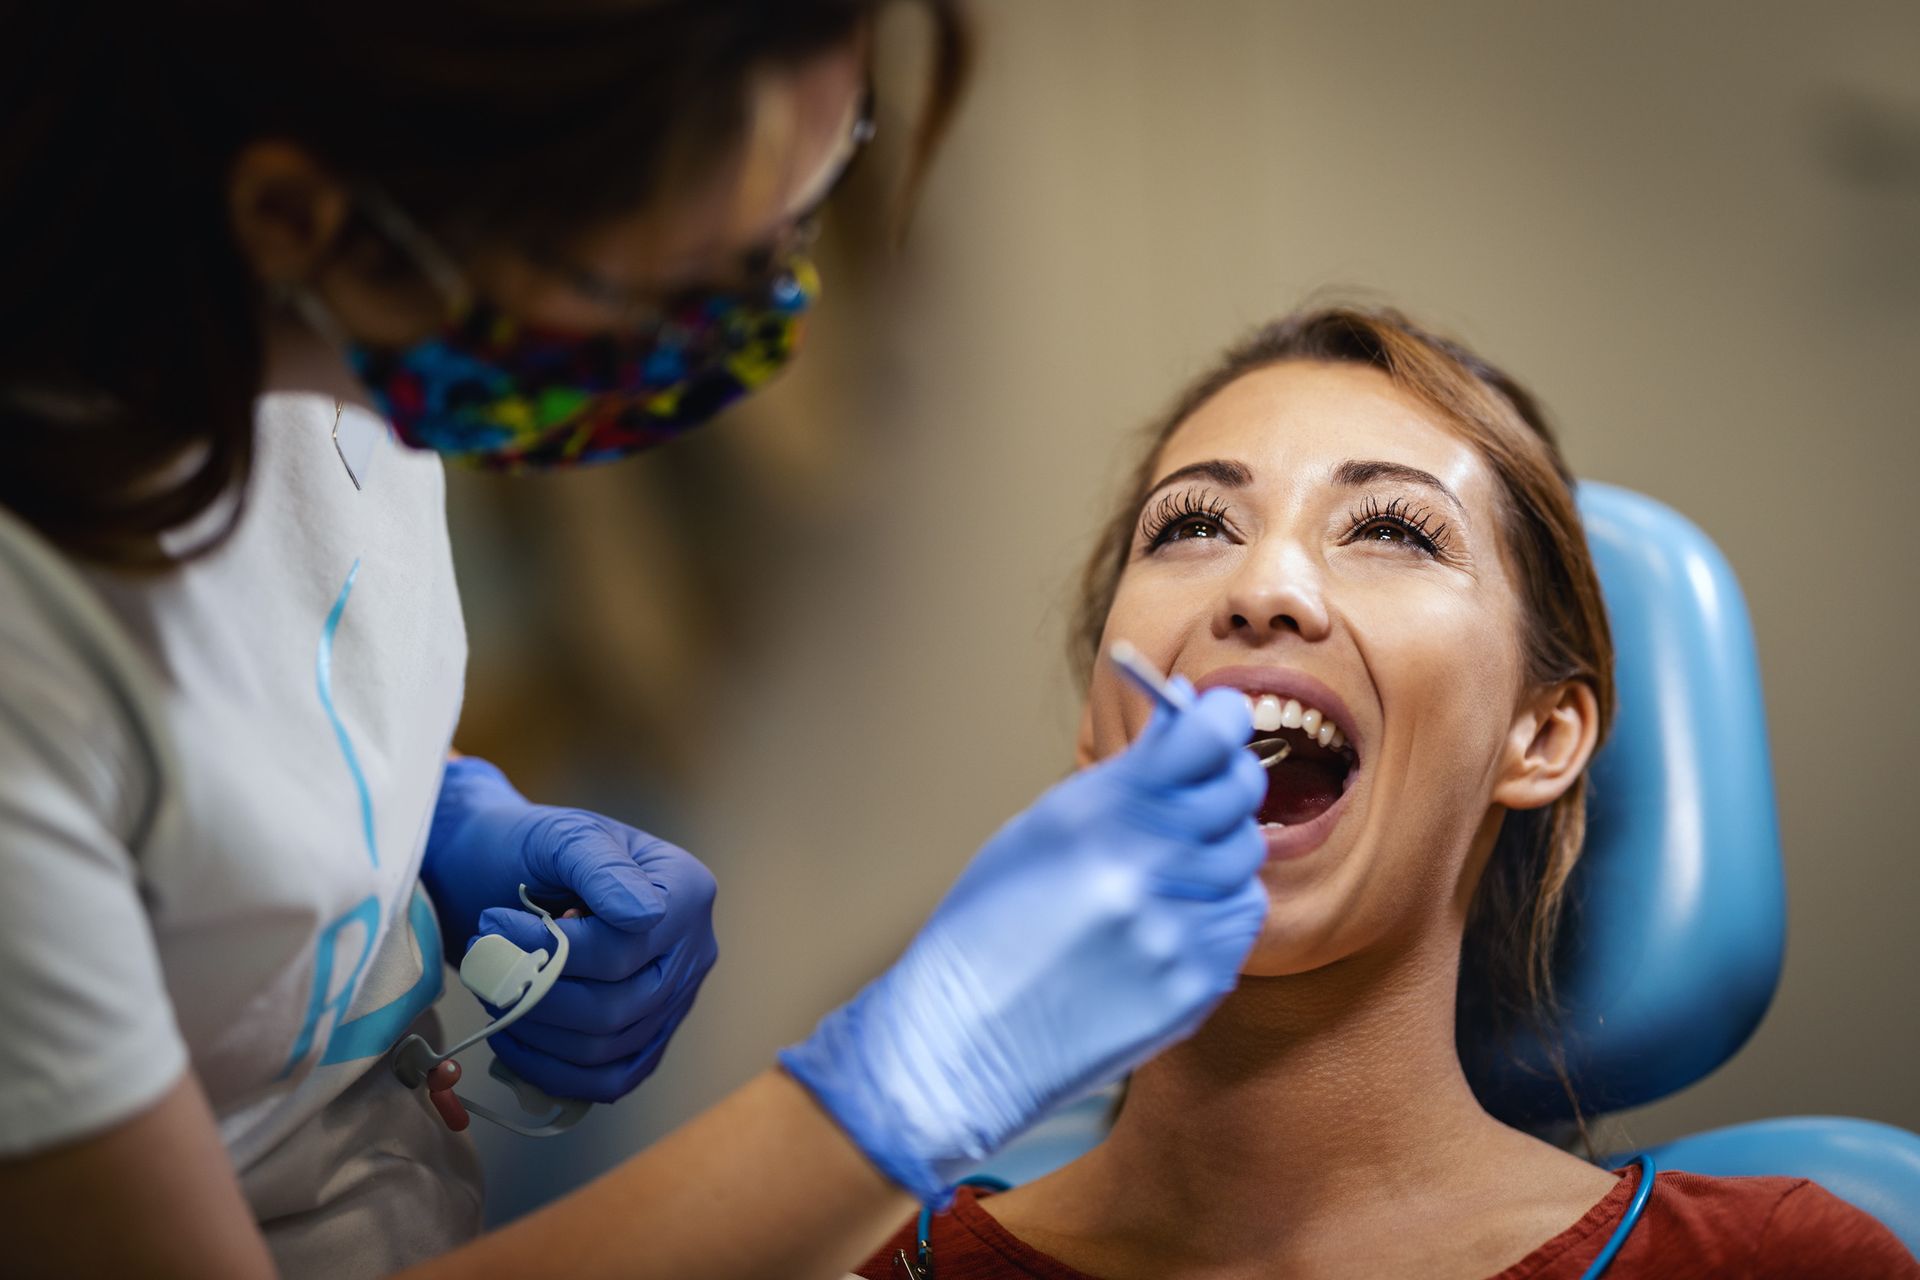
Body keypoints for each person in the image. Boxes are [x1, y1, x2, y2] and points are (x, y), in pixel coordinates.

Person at [0, 4, 1278, 1277]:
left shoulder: (340, 364)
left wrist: (424, 831)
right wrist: (907, 1079)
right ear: (307, 218)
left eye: (812, 200)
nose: (773, 314)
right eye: (691, 274)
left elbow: (217, 703)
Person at [857, 306, 1920, 1279]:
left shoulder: (1777, 1263)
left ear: (1541, 735)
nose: (1263, 586)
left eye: (1392, 530)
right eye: (1193, 526)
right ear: (1101, 727)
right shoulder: (880, 1263)